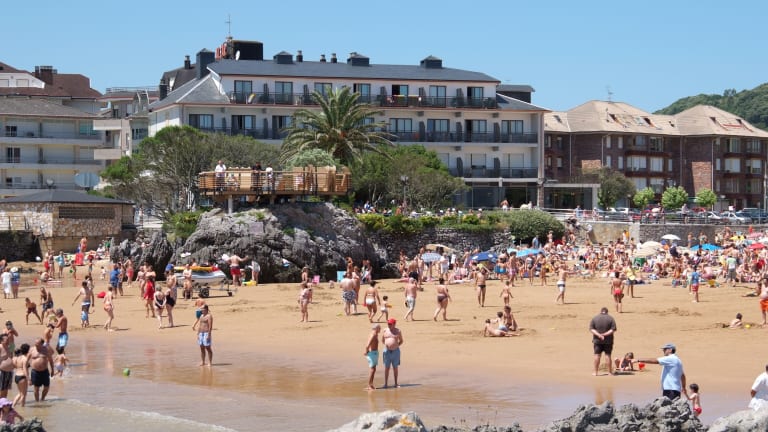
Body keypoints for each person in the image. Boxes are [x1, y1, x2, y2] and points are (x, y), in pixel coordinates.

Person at [589, 307, 617, 376]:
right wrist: (604, 334)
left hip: (597, 341)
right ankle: (610, 372)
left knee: (597, 355)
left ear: (601, 311)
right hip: (608, 341)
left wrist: (599, 335)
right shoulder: (611, 318)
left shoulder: (595, 318)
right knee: (608, 355)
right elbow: (613, 330)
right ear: (607, 312)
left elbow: (591, 329)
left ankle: (595, 372)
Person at [28, 338, 54, 402]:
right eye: (35, 343)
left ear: (42, 344)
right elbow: (26, 360)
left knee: (46, 387)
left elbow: (51, 360)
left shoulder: (46, 350)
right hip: (35, 372)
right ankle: (37, 401)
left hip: (44, 371)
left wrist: (52, 370)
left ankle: (42, 398)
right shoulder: (32, 349)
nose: (36, 344)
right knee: (36, 388)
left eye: (37, 344)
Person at [381, 318, 403, 388]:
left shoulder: (398, 331)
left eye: (390, 324)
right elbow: (382, 340)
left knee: (395, 367)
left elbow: (401, 341)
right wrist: (387, 346)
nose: (389, 325)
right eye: (388, 324)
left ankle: (396, 383)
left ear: (394, 324)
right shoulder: (385, 330)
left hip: (395, 352)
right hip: (387, 352)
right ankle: (385, 384)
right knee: (386, 368)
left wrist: (395, 346)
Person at [364, 324, 381, 391]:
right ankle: (370, 385)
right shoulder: (373, 335)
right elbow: (367, 345)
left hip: (374, 353)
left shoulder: (375, 334)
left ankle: (370, 385)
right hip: (372, 353)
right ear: (376, 328)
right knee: (373, 369)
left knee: (373, 369)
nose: (380, 329)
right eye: (379, 328)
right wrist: (366, 352)